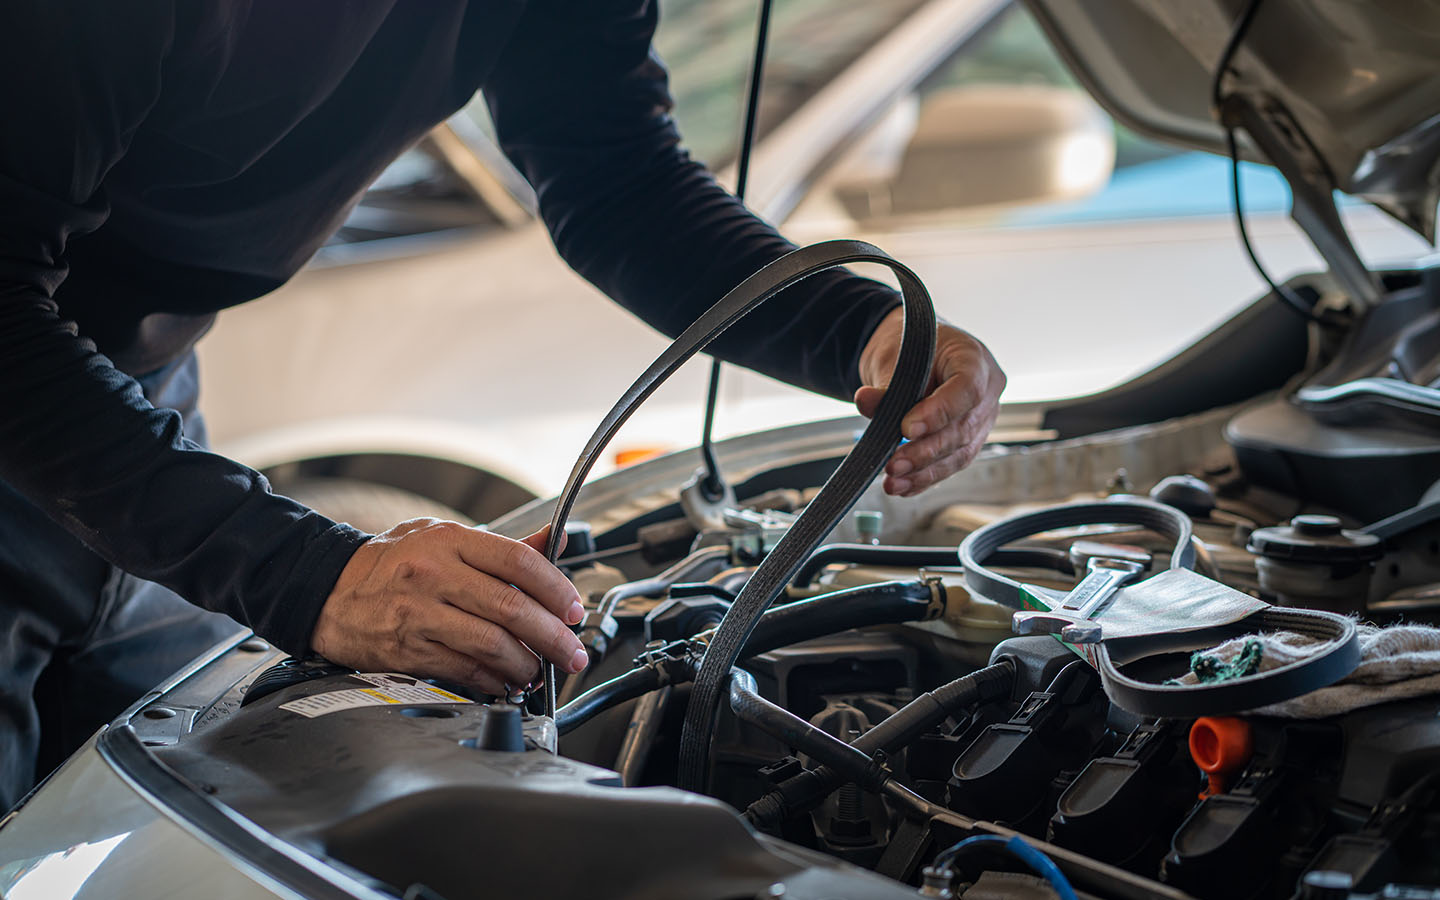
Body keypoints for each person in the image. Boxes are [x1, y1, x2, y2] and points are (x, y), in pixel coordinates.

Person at [0, 0, 1005, 811]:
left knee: (148, 824)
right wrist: (310, 577)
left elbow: (612, 174)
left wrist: (861, 330)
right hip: (43, 400)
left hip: (126, 412)